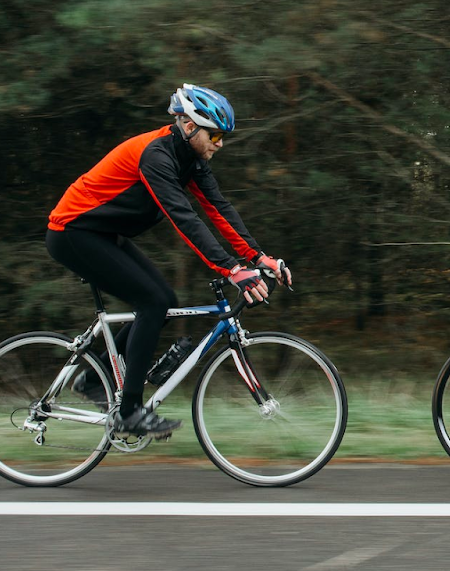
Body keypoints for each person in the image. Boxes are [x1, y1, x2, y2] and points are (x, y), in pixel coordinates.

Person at [45, 84, 293, 436]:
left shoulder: (190, 159)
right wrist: (232, 268)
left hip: (101, 235)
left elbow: (218, 209)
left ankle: (93, 379)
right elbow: (183, 216)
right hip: (72, 232)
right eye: (215, 134)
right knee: (152, 302)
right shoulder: (156, 156)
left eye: (224, 136)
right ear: (189, 126)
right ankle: (128, 412)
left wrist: (258, 257)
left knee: (163, 302)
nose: (220, 143)